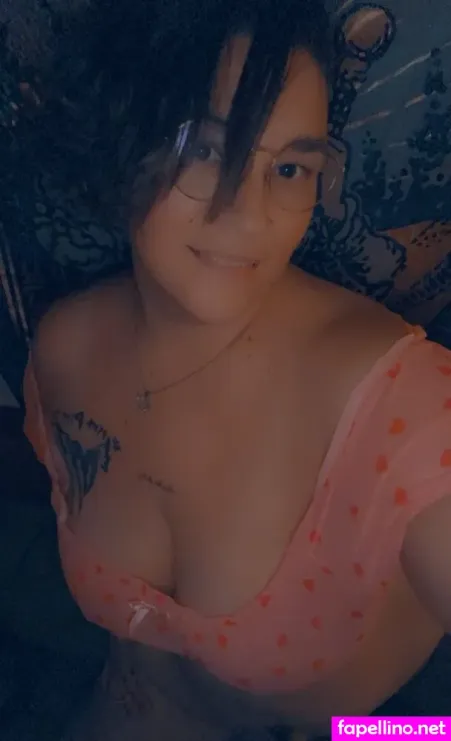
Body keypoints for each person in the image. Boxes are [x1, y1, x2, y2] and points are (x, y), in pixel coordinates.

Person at [22, 0, 451, 737]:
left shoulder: (403, 408)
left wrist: (398, 733)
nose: (250, 215)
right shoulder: (68, 348)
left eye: (288, 167)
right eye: (205, 149)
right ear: (122, 139)